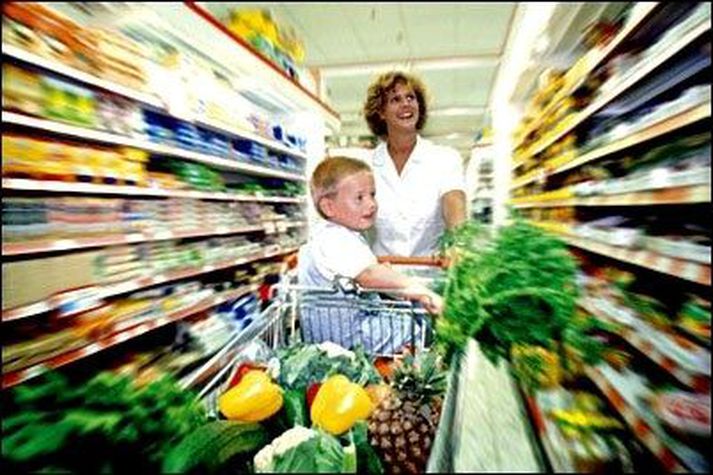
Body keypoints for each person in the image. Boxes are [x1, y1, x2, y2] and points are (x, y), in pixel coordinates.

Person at [298, 156, 443, 355]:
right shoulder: (334, 238)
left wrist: (393, 281)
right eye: (360, 198)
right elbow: (368, 275)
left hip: (343, 329)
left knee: (401, 314)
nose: (372, 204)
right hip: (346, 338)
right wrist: (417, 289)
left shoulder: (339, 234)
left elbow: (363, 273)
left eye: (372, 195)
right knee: (411, 326)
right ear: (328, 207)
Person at [363, 71, 467, 257]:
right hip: (381, 277)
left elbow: (455, 206)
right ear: (381, 113)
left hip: (430, 275)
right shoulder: (366, 166)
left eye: (411, 97)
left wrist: (458, 244)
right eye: (395, 99)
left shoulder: (445, 158)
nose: (406, 104)